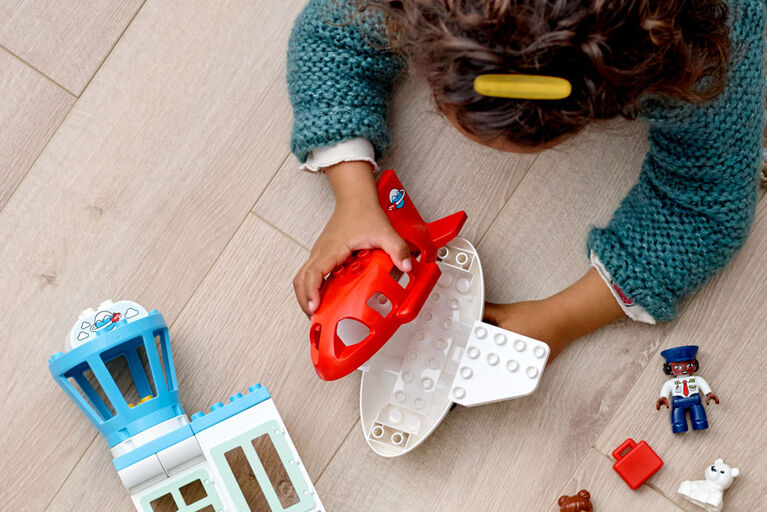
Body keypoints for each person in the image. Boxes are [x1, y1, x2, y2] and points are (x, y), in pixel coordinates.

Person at [287, 0, 765, 359]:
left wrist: (561, 317)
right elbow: (333, 36)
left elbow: (704, 204)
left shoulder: (711, 50)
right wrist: (353, 197)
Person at [656, 345, 720, 433]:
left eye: (689, 365)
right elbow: (666, 388)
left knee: (699, 415)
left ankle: (700, 423)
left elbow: (703, 384)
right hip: (678, 401)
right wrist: (663, 397)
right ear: (669, 368)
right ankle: (679, 426)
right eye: (678, 367)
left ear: (694, 364)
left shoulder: (696, 379)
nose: (684, 368)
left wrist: (709, 393)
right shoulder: (671, 383)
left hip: (694, 399)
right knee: (678, 418)